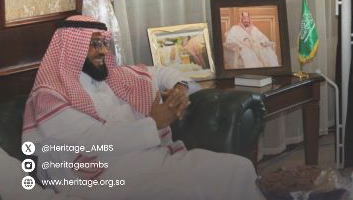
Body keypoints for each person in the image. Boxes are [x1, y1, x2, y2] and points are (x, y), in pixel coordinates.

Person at [22, 15, 264, 200]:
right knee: (181, 191)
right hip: (104, 179)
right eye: (94, 44)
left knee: (238, 168)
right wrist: (153, 123)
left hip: (150, 160)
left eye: (104, 43)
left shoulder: (114, 78)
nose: (103, 51)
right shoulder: (49, 96)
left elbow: (162, 72)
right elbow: (94, 141)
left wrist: (179, 88)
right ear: (71, 50)